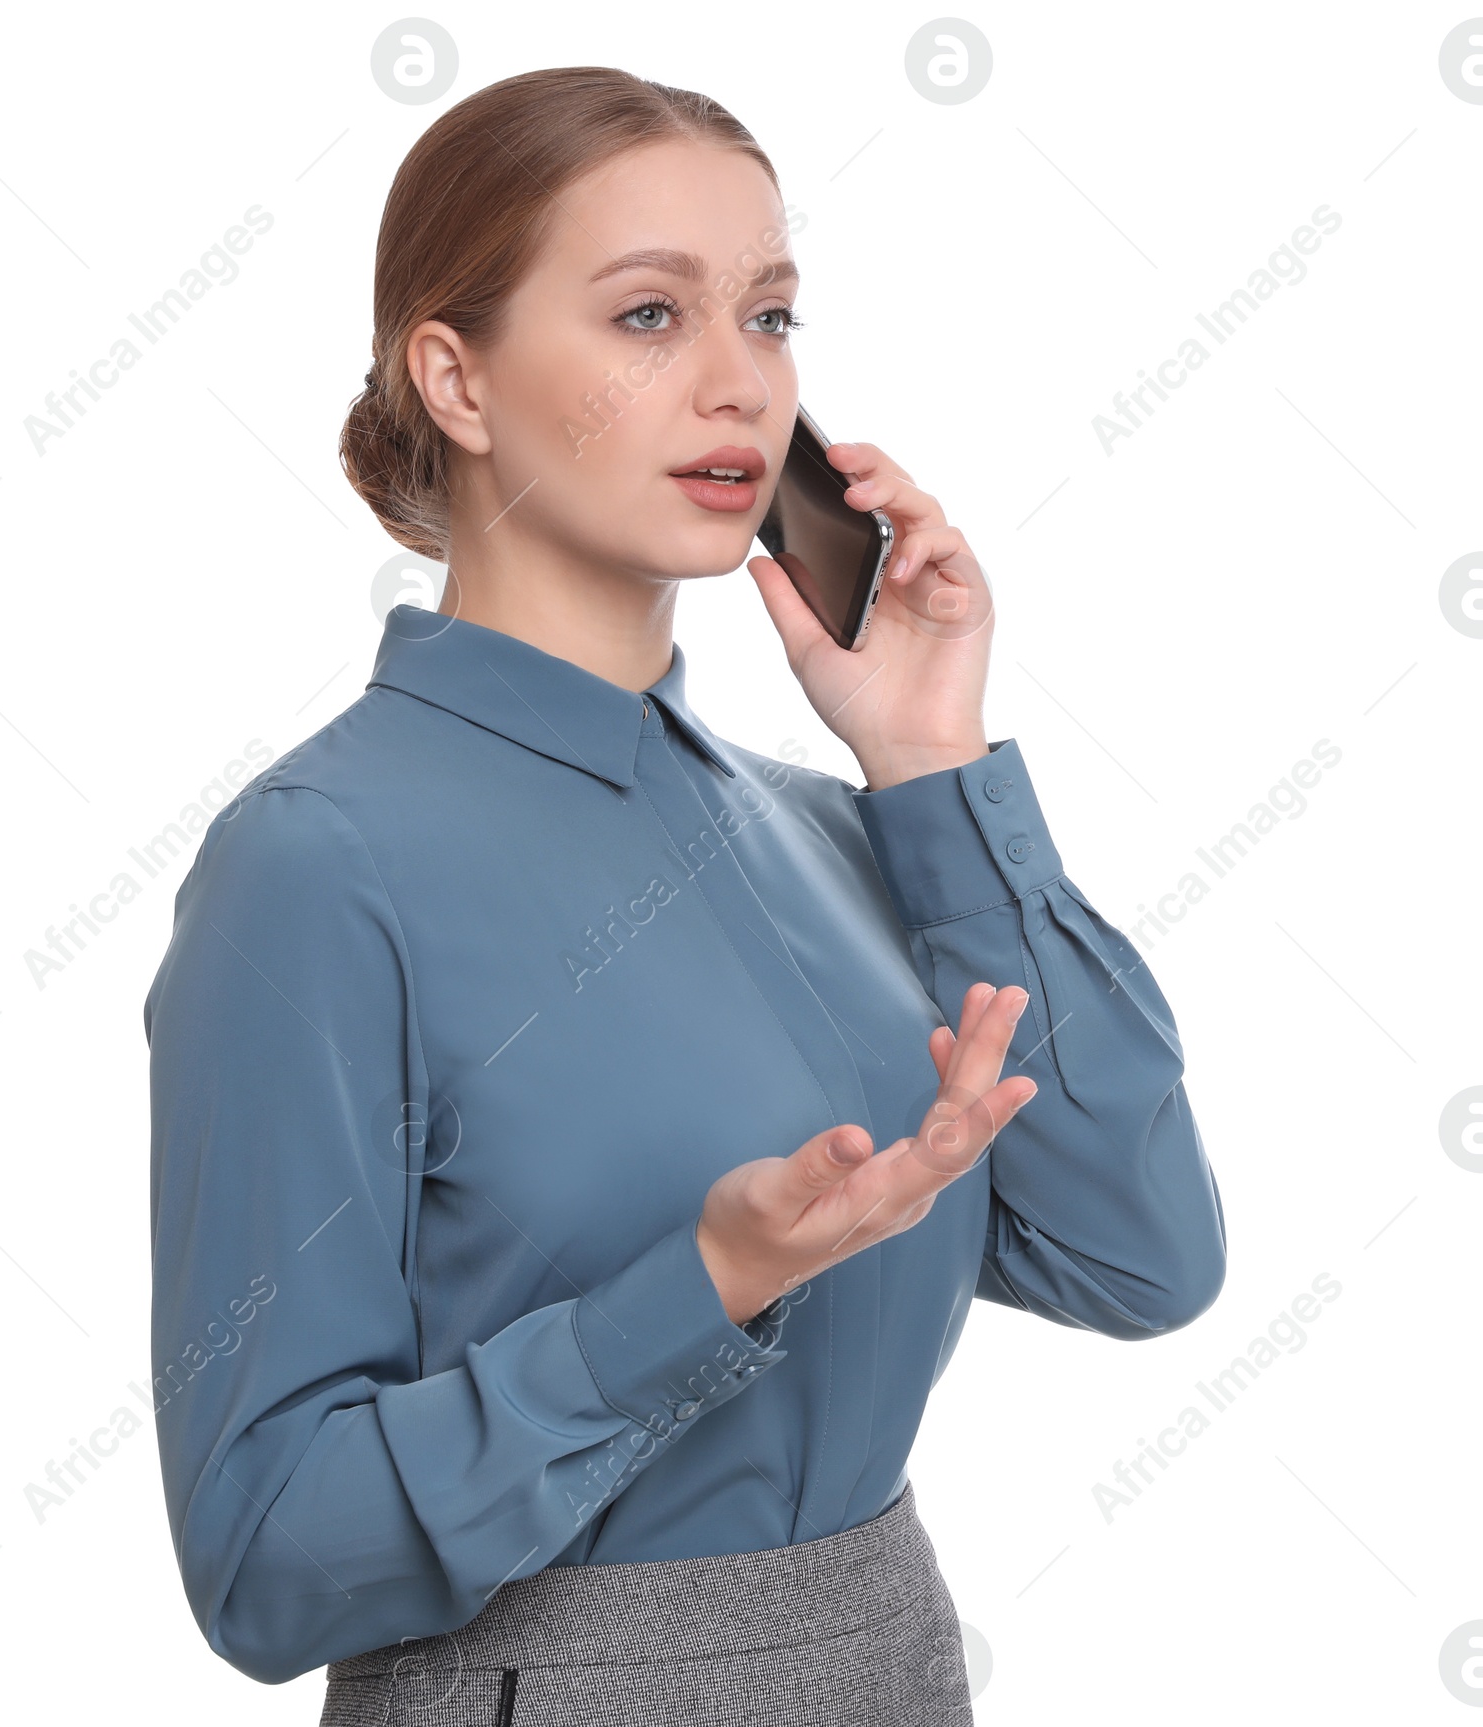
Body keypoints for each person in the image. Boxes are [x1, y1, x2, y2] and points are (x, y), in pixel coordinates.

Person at [143, 65, 1227, 1726]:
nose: (741, 385)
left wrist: (933, 768)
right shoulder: (318, 864)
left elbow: (1142, 1256)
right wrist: (695, 1294)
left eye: (773, 316)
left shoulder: (838, 839)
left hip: (889, 1672)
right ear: (459, 376)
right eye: (651, 316)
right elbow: (268, 1561)